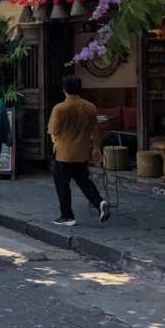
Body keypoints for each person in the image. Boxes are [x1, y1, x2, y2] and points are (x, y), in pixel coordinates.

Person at [48, 75, 110, 226]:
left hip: (63, 152)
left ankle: (67, 215)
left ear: (64, 90)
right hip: (82, 151)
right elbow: (96, 130)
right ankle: (99, 202)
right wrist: (96, 148)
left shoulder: (59, 108)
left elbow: (54, 131)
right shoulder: (89, 107)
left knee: (62, 185)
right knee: (84, 181)